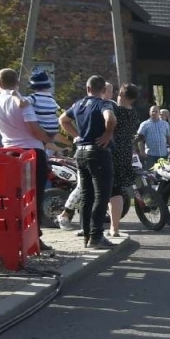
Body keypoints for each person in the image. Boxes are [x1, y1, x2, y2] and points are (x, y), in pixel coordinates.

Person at [0, 67, 53, 230]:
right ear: (17, 82)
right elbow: (33, 128)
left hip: (9, 151)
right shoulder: (23, 102)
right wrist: (47, 139)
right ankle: (34, 232)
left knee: (14, 194)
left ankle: (12, 228)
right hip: (32, 150)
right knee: (34, 194)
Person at [59, 75, 117, 250]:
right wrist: (108, 134)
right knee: (102, 195)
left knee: (86, 195)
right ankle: (96, 236)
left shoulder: (78, 104)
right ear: (104, 90)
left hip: (80, 153)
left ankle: (86, 236)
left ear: (87, 88)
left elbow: (62, 120)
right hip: (98, 152)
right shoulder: (103, 103)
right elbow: (111, 118)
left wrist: (77, 135)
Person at [107, 83, 144, 238]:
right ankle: (115, 227)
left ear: (121, 93)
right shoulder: (133, 113)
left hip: (113, 150)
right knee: (119, 190)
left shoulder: (115, 109)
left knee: (109, 189)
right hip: (126, 151)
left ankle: (106, 225)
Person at [27, 70, 62, 141]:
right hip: (54, 129)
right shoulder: (51, 97)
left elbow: (22, 103)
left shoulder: (33, 97)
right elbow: (59, 111)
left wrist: (16, 96)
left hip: (43, 129)